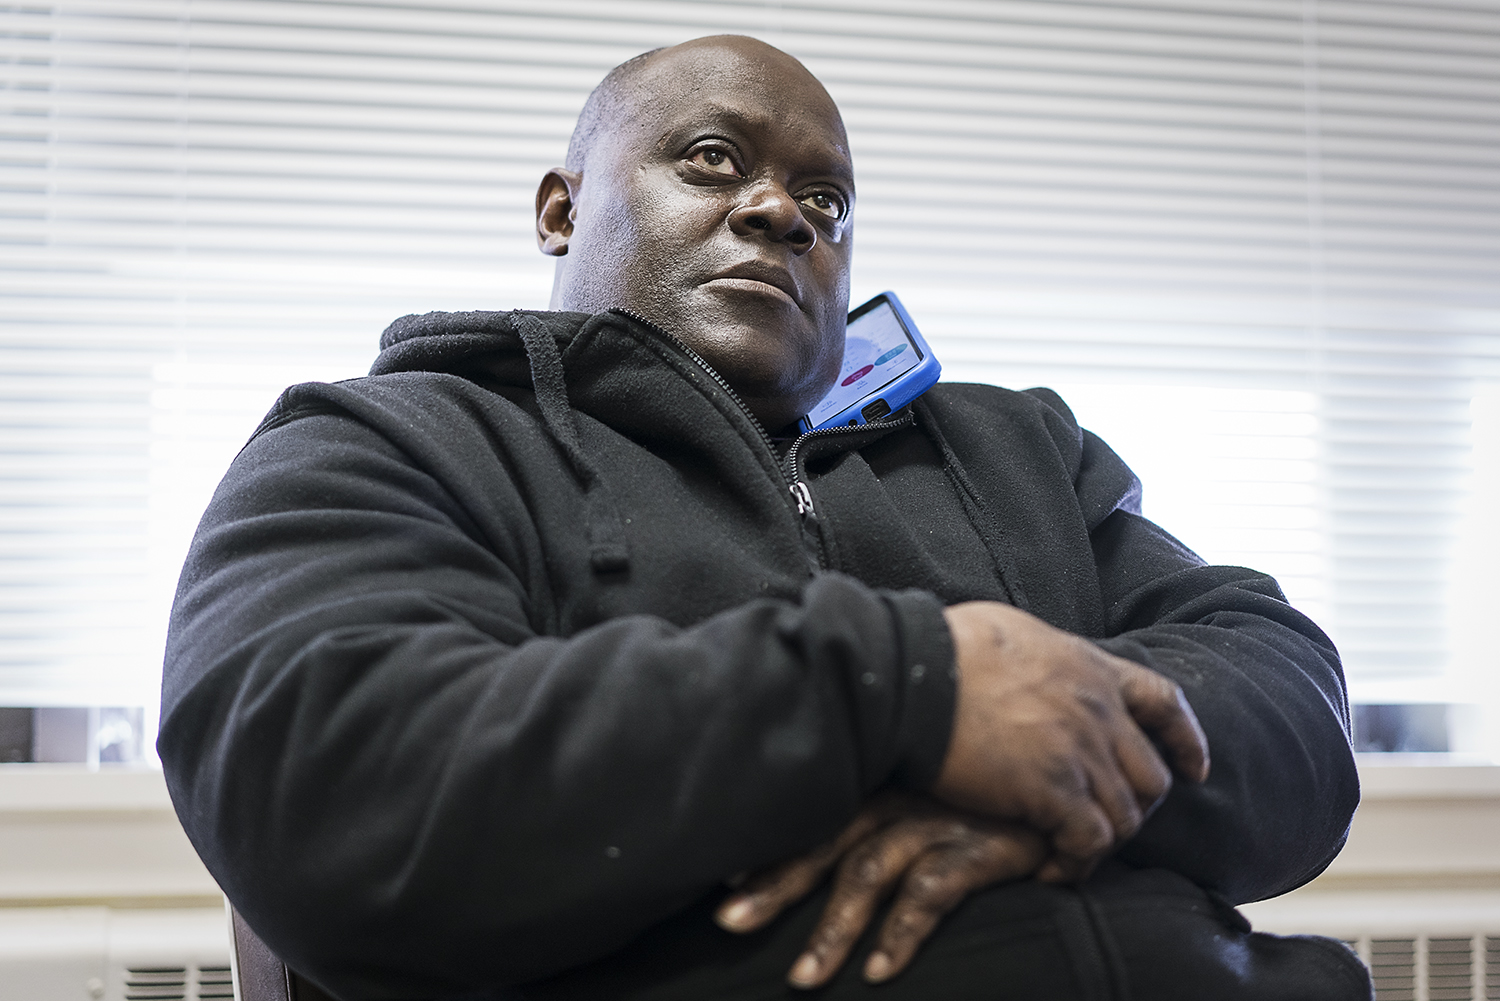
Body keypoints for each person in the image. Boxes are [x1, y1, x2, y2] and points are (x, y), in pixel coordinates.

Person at [158, 35, 1369, 1001]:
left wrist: (1032, 772)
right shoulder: (396, 437)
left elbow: (1290, 699)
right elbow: (330, 774)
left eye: (827, 201)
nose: (783, 212)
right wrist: (910, 692)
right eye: (710, 159)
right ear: (560, 210)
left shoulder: (1015, 448)